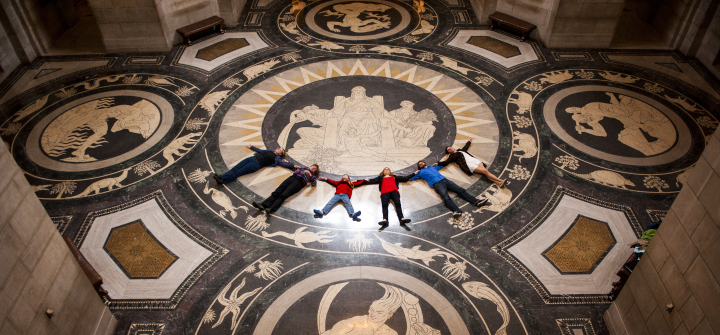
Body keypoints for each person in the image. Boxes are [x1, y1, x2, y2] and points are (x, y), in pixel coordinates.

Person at [412, 161, 488, 218]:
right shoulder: (420, 173)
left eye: (422, 162)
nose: (421, 163)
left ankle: (476, 202)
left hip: (445, 180)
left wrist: (438, 163)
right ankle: (456, 211)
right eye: (419, 164)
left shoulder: (432, 167)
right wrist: (414, 173)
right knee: (445, 197)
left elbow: (443, 164)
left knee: (460, 190)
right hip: (437, 184)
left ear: (425, 163)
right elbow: (410, 178)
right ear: (419, 167)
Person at [253, 164, 319, 214]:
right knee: (277, 191)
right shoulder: (303, 168)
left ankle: (271, 208)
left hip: (299, 183)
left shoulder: (312, 176)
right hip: (292, 178)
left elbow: (313, 183)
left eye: (315, 168)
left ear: (315, 171)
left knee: (284, 195)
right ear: (310, 166)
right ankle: (264, 205)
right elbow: (294, 169)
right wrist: (289, 163)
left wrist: (310, 174)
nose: (313, 168)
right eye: (313, 166)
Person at [439, 138, 506, 187]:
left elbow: (465, 147)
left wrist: (469, 141)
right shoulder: (452, 156)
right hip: (469, 165)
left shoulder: (460, 150)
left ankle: (499, 183)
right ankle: (500, 180)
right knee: (485, 171)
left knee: (485, 172)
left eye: (450, 147)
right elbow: (445, 163)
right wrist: (438, 163)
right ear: (449, 152)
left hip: (474, 161)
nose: (450, 148)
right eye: (448, 149)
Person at [213, 145, 292, 185]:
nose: (278, 148)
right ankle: (222, 177)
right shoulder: (270, 151)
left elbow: (284, 164)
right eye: (279, 148)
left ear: (280, 154)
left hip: (256, 164)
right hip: (252, 158)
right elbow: (260, 151)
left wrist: (289, 164)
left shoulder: (277, 159)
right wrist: (252, 147)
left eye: (280, 150)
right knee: (235, 168)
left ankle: (222, 181)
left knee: (238, 172)